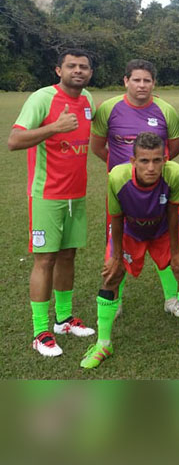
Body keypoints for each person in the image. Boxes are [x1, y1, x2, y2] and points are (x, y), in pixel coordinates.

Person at [80, 133, 179, 369]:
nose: (151, 167)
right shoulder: (117, 177)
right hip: (130, 230)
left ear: (165, 159)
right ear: (133, 161)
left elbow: (172, 211)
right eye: (144, 161)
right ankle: (103, 342)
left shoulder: (175, 174)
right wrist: (116, 257)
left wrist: (177, 251)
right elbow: (116, 218)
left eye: (157, 160)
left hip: (162, 228)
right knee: (111, 276)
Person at [8, 49, 97, 357]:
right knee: (44, 260)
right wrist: (54, 128)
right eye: (71, 66)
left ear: (90, 73)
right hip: (47, 195)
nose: (78, 71)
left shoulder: (88, 100)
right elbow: (14, 141)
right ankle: (40, 331)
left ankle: (63, 319)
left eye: (83, 67)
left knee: (68, 256)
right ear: (58, 70)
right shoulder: (42, 98)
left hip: (77, 194)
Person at [90, 59, 179, 317]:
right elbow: (98, 147)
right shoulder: (109, 109)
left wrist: (151, 171)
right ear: (126, 81)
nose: (142, 85)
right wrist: (125, 174)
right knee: (116, 241)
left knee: (163, 238)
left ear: (154, 83)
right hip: (122, 192)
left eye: (147, 80)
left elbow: (173, 148)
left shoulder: (165, 111)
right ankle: (115, 298)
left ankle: (171, 299)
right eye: (136, 80)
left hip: (158, 190)